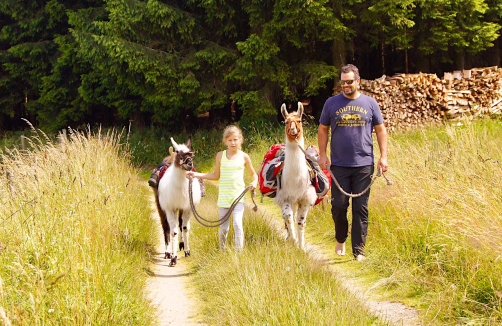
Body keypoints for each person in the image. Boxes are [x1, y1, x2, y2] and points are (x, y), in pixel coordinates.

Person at [318, 64, 388, 261]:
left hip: (364, 164)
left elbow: (381, 130)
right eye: (343, 82)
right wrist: (323, 154)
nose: (346, 85)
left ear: (358, 81)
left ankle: (358, 250)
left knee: (360, 208)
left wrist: (383, 157)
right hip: (339, 165)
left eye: (349, 81)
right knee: (339, 206)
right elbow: (323, 129)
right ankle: (341, 238)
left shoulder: (370, 103)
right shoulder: (331, 103)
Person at [187, 125, 258, 251]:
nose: (233, 142)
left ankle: (239, 253)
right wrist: (196, 174)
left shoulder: (244, 157)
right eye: (230, 140)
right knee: (224, 228)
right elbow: (215, 176)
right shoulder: (220, 155)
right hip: (224, 197)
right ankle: (222, 250)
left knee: (237, 224)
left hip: (238, 197)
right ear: (225, 141)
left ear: (240, 140)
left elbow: (254, 175)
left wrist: (255, 183)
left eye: (235, 139)